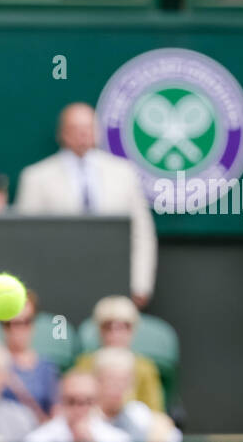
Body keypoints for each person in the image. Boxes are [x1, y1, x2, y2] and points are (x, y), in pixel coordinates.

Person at [15, 102, 158, 308]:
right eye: (74, 129)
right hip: (55, 287)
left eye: (88, 128)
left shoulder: (124, 172)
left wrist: (140, 284)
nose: (82, 134)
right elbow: (26, 240)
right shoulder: (36, 177)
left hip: (114, 283)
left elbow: (141, 233)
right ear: (61, 134)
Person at [71, 295, 164, 413]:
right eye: (108, 326)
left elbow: (155, 412)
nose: (115, 333)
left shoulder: (145, 367)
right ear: (99, 330)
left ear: (132, 330)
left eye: (123, 326)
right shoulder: (85, 364)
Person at [95, 347, 182, 442]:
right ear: (97, 381)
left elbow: (174, 438)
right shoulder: (84, 414)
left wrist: (162, 427)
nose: (117, 387)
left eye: (123, 380)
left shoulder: (137, 412)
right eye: (110, 380)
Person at [24, 371, 131, 442]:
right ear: (60, 401)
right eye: (71, 401)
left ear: (97, 402)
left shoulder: (118, 441)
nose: (80, 408)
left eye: (88, 401)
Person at [0, 289, 58, 420]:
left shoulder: (47, 367)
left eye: (25, 321)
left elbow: (55, 414)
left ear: (33, 323)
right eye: (9, 323)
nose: (16, 329)